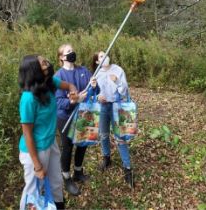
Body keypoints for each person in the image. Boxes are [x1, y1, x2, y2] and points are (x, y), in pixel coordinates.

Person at [18, 55, 79, 210]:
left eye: (46, 61)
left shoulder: (50, 83)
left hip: (50, 142)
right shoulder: (28, 98)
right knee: (33, 191)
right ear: (34, 70)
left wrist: (72, 91)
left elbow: (69, 85)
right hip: (35, 151)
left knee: (56, 181)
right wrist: (37, 166)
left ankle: (58, 206)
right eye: (44, 63)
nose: (48, 64)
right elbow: (27, 134)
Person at [54, 44, 99, 196]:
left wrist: (94, 85)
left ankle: (78, 172)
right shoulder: (58, 77)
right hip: (65, 117)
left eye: (73, 50)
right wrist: (73, 101)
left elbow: (94, 92)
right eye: (68, 52)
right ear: (61, 57)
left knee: (82, 144)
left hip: (83, 114)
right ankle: (66, 179)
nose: (72, 53)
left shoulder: (83, 71)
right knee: (67, 148)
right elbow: (58, 102)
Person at [91, 51, 133, 187]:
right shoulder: (96, 73)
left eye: (106, 54)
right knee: (103, 135)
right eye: (101, 56)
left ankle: (127, 168)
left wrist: (118, 81)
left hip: (117, 106)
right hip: (103, 107)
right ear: (97, 61)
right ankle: (106, 158)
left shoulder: (118, 70)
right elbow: (93, 92)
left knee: (120, 138)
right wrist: (97, 96)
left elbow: (124, 90)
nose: (105, 57)